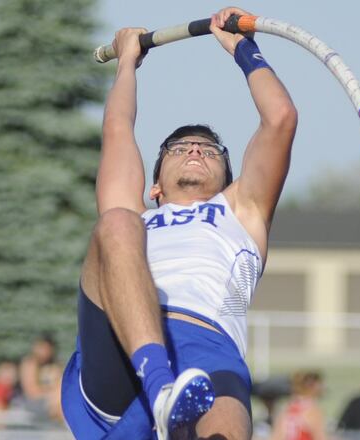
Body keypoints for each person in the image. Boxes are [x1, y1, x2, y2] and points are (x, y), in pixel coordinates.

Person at [60, 6, 297, 440]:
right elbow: (117, 129)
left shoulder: (242, 211)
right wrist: (127, 63)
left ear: (229, 178)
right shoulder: (140, 214)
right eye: (178, 147)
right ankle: (159, 387)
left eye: (209, 151)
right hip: (123, 341)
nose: (194, 151)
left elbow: (279, 119)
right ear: (154, 187)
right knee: (116, 224)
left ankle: (169, 398)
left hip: (209, 347)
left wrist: (242, 47)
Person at [14, 334, 63, 423]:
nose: (43, 352)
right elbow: (31, 392)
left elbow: (60, 386)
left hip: (51, 402)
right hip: (29, 402)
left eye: (46, 348)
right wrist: (51, 395)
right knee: (59, 404)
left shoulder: (54, 366)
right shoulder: (29, 364)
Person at [271, 371, 328, 440]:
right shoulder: (312, 410)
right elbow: (320, 437)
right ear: (313, 386)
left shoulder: (286, 409)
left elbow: (277, 436)